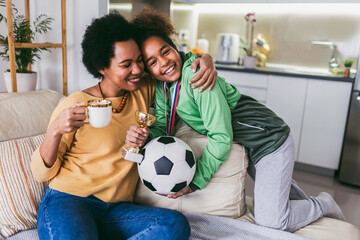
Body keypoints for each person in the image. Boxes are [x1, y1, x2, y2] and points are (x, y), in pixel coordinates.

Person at [125, 7, 346, 233]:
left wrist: (196, 181)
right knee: (284, 195)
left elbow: (221, 136)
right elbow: (163, 125)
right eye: (152, 62)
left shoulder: (196, 77)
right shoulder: (164, 87)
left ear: (175, 47)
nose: (163, 62)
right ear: (148, 71)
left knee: (273, 221)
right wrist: (146, 136)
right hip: (252, 144)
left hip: (270, 141)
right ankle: (311, 203)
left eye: (165, 51)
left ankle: (324, 203)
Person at [30, 12, 217, 240]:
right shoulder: (76, 103)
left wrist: (204, 59)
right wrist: (55, 130)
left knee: (174, 225)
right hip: (69, 201)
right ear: (102, 67)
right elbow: (41, 173)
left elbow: (171, 62)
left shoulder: (144, 88)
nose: (137, 70)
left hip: (117, 210)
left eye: (139, 61)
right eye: (126, 64)